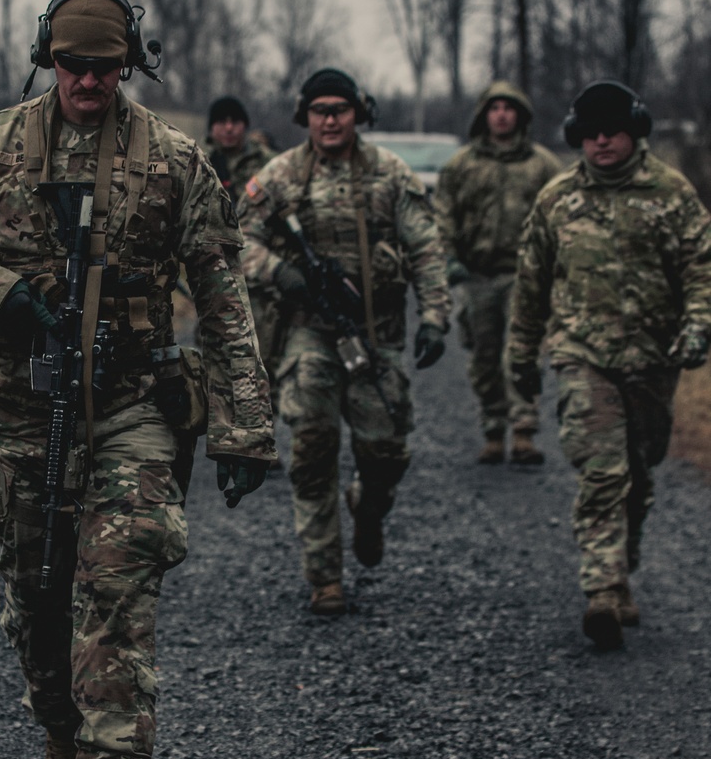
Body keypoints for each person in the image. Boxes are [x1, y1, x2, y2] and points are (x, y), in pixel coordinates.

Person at [0, 0, 275, 759]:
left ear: (128, 67)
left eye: (106, 68)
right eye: (73, 65)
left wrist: (244, 423)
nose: (89, 82)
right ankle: (60, 733)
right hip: (21, 404)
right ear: (47, 59)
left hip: (134, 403)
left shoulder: (176, 161)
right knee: (37, 591)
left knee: (117, 583)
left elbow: (222, 294)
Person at [506, 80, 711, 649]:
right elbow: (530, 286)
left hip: (653, 359)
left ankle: (623, 570)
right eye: (590, 133)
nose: (601, 142)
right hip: (581, 356)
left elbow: (701, 270)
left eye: (612, 131)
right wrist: (520, 356)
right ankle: (600, 590)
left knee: (639, 476)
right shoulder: (557, 200)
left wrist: (699, 325)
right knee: (603, 472)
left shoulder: (671, 195)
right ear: (577, 136)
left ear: (634, 131)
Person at [238, 68, 450, 616]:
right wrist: (281, 273)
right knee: (311, 447)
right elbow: (236, 240)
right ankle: (324, 576)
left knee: (385, 451)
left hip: (376, 334)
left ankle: (370, 507)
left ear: (359, 113)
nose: (330, 119)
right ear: (305, 117)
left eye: (340, 108)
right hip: (308, 331)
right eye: (319, 110)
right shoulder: (281, 175)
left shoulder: (390, 175)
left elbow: (426, 248)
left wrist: (434, 318)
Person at [434, 81, 561, 465]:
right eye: (495, 108)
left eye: (509, 107)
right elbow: (443, 216)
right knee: (483, 357)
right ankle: (493, 427)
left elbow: (561, 217)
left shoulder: (542, 165)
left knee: (520, 355)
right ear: (483, 115)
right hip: (476, 275)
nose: (502, 114)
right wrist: (449, 259)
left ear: (520, 115)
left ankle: (523, 430)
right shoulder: (462, 165)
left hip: (525, 276)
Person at [205, 95, 282, 404]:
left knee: (263, 353)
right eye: (221, 123)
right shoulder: (203, 164)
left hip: (261, 275)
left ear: (245, 126)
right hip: (218, 274)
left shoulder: (268, 163)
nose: (228, 129)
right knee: (220, 355)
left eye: (234, 122)